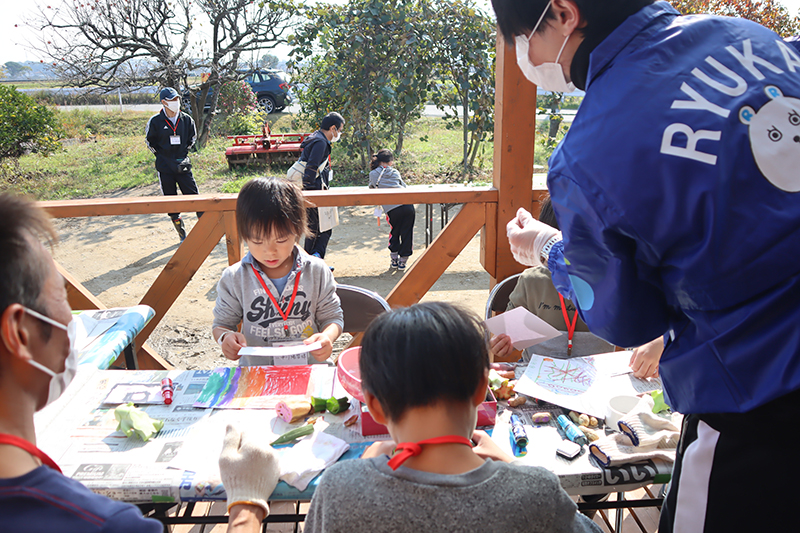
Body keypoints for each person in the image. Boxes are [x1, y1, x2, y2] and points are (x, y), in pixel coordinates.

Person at [493, 1, 800, 531]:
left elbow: (624, 319)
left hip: (761, 393)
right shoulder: (754, 39)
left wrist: (548, 247)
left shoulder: (593, 150)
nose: (526, 55)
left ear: (564, 14)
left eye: (522, 37)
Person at [303, 302, 601, 533]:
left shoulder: (339, 490)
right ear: (482, 390)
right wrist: (513, 469)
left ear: (375, 407)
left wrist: (361, 473)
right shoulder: (535, 492)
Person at [0, 193, 163, 532]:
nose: (73, 318)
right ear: (20, 333)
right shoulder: (108, 525)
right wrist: (246, 509)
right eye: (62, 295)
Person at [212, 178, 343, 366]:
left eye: (281, 240)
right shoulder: (235, 278)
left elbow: (333, 317)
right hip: (257, 374)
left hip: (310, 369)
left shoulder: (316, 271)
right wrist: (225, 338)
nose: (270, 251)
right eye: (257, 241)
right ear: (244, 236)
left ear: (297, 232)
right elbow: (221, 325)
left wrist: (327, 337)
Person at [491, 195, 614, 361]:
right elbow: (507, 335)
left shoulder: (613, 283)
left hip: (598, 379)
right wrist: (502, 343)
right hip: (535, 376)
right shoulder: (532, 281)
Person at [145, 87, 201, 242]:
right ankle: (181, 233)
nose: (176, 102)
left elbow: (192, 139)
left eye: (177, 99)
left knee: (195, 198)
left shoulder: (186, 119)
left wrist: (181, 154)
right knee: (171, 202)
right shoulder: (155, 121)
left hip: (182, 164)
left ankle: (205, 229)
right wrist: (164, 157)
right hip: (164, 167)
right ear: (164, 102)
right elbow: (150, 142)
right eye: (172, 100)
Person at [297, 112, 345, 259]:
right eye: (340, 130)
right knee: (320, 229)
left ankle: (312, 261)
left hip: (315, 190)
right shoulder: (320, 142)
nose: (339, 133)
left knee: (317, 228)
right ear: (333, 128)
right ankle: (312, 261)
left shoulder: (316, 137)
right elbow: (311, 168)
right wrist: (310, 194)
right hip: (315, 192)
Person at [368, 149, 415, 270]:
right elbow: (404, 186)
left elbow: (372, 188)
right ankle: (403, 261)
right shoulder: (395, 172)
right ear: (390, 162)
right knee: (407, 232)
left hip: (392, 208)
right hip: (408, 205)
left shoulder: (373, 174)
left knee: (395, 231)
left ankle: (394, 258)